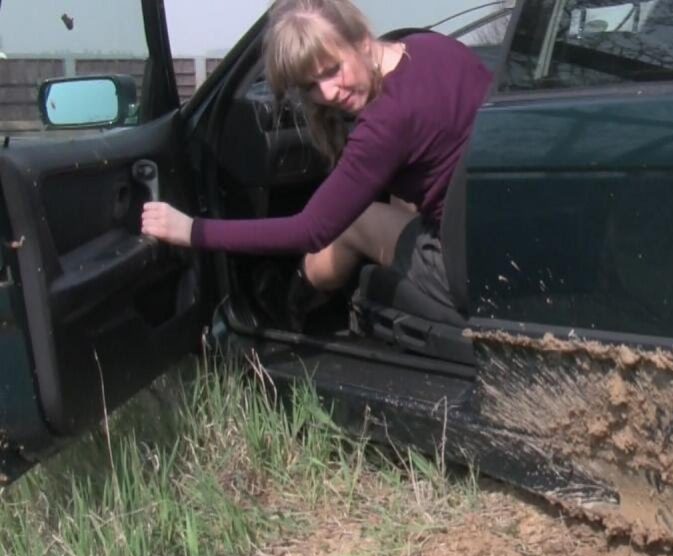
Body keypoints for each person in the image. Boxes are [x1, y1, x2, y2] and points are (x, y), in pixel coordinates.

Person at [141, 0, 492, 328]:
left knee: (356, 222)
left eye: (333, 70)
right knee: (396, 195)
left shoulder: (385, 125)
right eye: (310, 86)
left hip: (467, 269)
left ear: (363, 42)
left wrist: (191, 230)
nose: (328, 94)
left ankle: (289, 309)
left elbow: (309, 230)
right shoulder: (433, 49)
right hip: (498, 234)